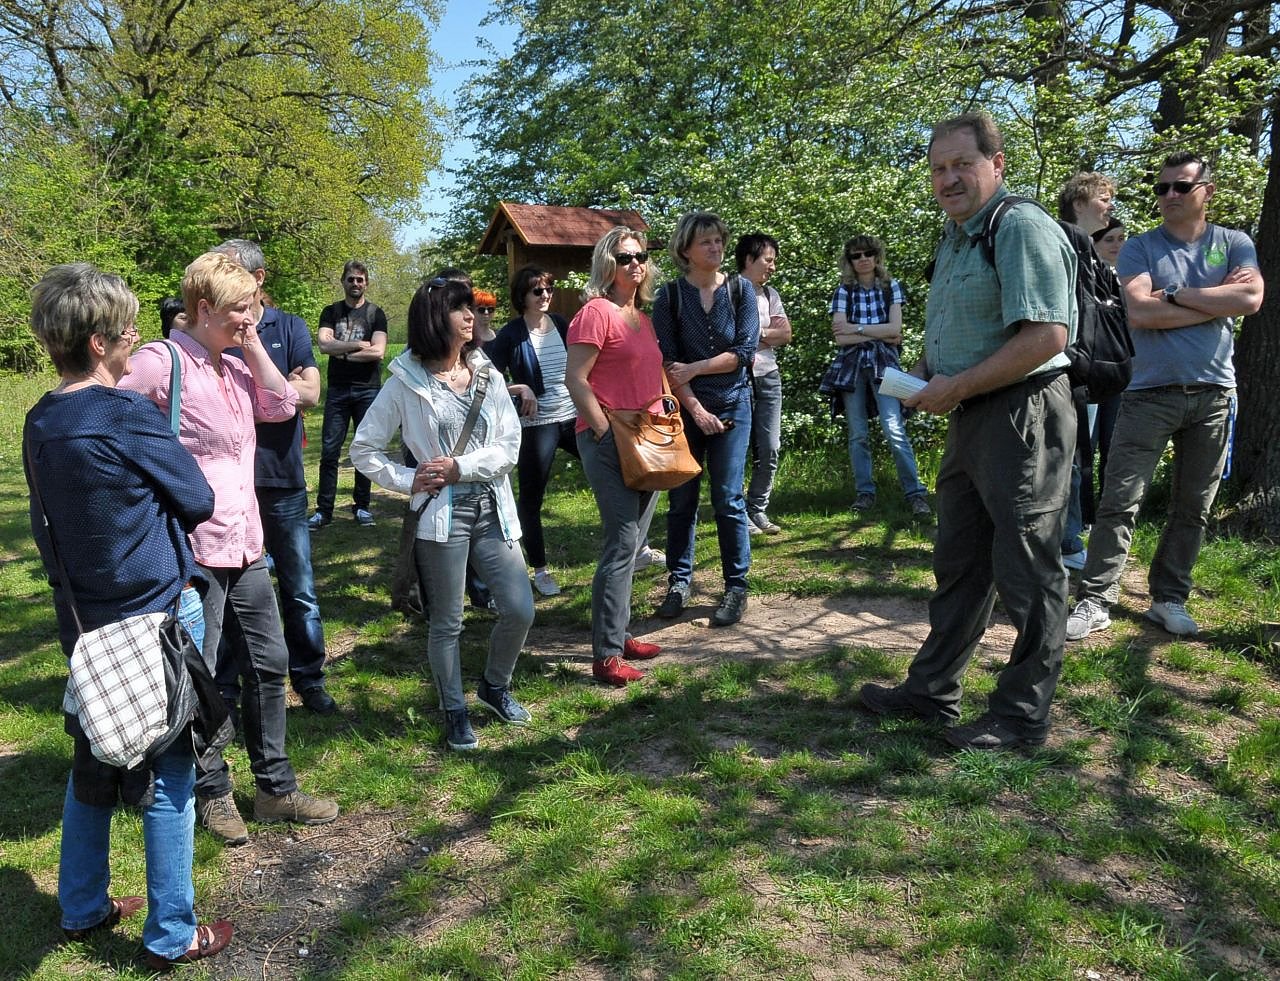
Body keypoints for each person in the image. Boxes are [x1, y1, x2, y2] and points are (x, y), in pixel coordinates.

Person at [23, 263, 233, 968]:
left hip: (85, 623)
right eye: (125, 329)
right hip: (155, 616)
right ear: (96, 343)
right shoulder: (124, 413)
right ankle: (173, 932)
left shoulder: (40, 419)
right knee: (171, 772)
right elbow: (197, 498)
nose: (136, 335)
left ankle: (82, 904)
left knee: (92, 763)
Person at [859, 112, 1077, 750]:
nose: (948, 179)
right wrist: (927, 376)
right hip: (972, 413)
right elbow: (965, 330)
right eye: (938, 168)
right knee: (960, 560)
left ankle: (1022, 717)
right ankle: (932, 693)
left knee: (1028, 569)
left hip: (1023, 412)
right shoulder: (958, 235)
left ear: (996, 164)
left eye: (962, 164)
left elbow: (1047, 336)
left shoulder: (1020, 226)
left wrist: (954, 386)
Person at [121, 252, 339, 844]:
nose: (253, 317)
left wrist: (253, 344)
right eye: (241, 309)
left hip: (245, 545)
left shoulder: (236, 366)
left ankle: (275, 789)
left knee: (269, 664)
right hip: (191, 550)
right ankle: (211, 790)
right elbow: (107, 416)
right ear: (203, 308)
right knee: (202, 675)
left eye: (255, 307)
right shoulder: (160, 363)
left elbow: (284, 404)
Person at [1066, 152, 1264, 641]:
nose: (1169, 195)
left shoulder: (1234, 243)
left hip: (1215, 394)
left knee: (1193, 507)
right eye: (1162, 188)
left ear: (1207, 192)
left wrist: (1172, 294)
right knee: (1119, 501)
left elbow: (1250, 299)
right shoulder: (1140, 247)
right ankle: (1096, 598)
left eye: (1181, 186)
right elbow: (1139, 312)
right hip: (1147, 392)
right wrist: (1213, 300)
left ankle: (1169, 598)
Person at [351, 278, 535, 751]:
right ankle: (454, 709)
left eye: (472, 307)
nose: (472, 316)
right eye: (460, 309)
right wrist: (406, 478)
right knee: (448, 622)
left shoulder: (488, 374)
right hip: (441, 515)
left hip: (491, 506)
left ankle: (494, 686)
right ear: (435, 318)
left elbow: (509, 445)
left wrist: (461, 468)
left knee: (519, 608)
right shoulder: (405, 382)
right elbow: (364, 449)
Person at [214, 240, 336, 716]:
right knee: (228, 590)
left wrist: (253, 397)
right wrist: (277, 393)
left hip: (281, 476)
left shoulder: (288, 327)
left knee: (298, 586)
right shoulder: (216, 330)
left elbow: (311, 393)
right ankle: (229, 686)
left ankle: (309, 678)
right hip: (228, 486)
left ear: (258, 279)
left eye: (232, 273)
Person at [565, 227, 667, 686]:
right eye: (625, 257)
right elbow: (575, 379)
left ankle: (620, 635)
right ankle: (606, 655)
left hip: (648, 441)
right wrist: (604, 431)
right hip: (609, 439)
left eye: (640, 256)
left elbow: (650, 373)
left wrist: (662, 416)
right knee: (621, 542)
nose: (635, 264)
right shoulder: (595, 313)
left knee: (634, 544)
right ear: (608, 263)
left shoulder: (642, 318)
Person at [652, 212, 758, 627]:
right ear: (685, 250)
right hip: (685, 411)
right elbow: (668, 365)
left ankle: (736, 586)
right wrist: (695, 409)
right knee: (682, 501)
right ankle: (679, 583)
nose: (715, 248)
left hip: (734, 403)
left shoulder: (741, 289)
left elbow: (744, 353)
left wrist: (696, 368)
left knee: (728, 498)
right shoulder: (669, 296)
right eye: (706, 242)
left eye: (718, 240)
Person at [488, 265, 578, 597]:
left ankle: (636, 549)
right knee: (531, 497)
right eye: (537, 291)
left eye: (548, 289)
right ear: (522, 297)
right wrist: (520, 388)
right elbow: (487, 378)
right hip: (537, 424)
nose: (545, 296)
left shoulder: (562, 324)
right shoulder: (511, 334)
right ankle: (540, 570)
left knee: (613, 472)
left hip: (574, 418)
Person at [826, 235, 931, 517]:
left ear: (876, 256)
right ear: (849, 261)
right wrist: (880, 333)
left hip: (885, 366)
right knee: (858, 433)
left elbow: (896, 330)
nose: (863, 259)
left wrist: (856, 328)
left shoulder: (891, 287)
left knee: (894, 428)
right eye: (856, 255)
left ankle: (915, 493)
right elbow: (841, 338)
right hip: (851, 368)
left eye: (868, 253)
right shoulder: (843, 290)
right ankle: (865, 493)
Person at [1057, 172, 1118, 570]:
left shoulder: (1088, 250)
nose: (1110, 206)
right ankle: (1066, 543)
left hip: (1081, 369)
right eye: (1103, 198)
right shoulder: (1065, 242)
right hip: (1064, 368)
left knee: (1077, 455)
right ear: (1079, 204)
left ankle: (1068, 538)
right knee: (1068, 457)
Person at [310, 260, 388, 530]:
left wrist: (340, 351)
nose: (356, 283)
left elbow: (378, 352)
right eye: (351, 279)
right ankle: (324, 511)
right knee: (330, 451)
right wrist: (356, 345)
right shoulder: (331, 311)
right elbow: (323, 344)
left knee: (364, 448)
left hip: (368, 390)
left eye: (360, 279)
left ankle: (362, 507)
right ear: (343, 281)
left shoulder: (376, 313)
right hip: (338, 390)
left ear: (366, 283)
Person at [735, 233, 792, 535]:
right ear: (749, 259)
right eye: (768, 260)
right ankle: (737, 511)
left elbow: (786, 334)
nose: (773, 267)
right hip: (736, 377)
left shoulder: (771, 294)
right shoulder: (727, 291)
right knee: (737, 448)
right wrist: (767, 333)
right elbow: (727, 336)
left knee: (770, 447)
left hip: (769, 376)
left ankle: (757, 509)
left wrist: (755, 333)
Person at [1090, 217, 1127, 496]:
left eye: (1121, 238)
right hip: (1090, 369)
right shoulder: (1085, 276)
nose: (1117, 245)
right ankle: (1082, 513)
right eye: (1109, 239)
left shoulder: (1132, 278)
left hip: (1122, 370)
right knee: (1086, 444)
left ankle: (1109, 506)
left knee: (1115, 444)